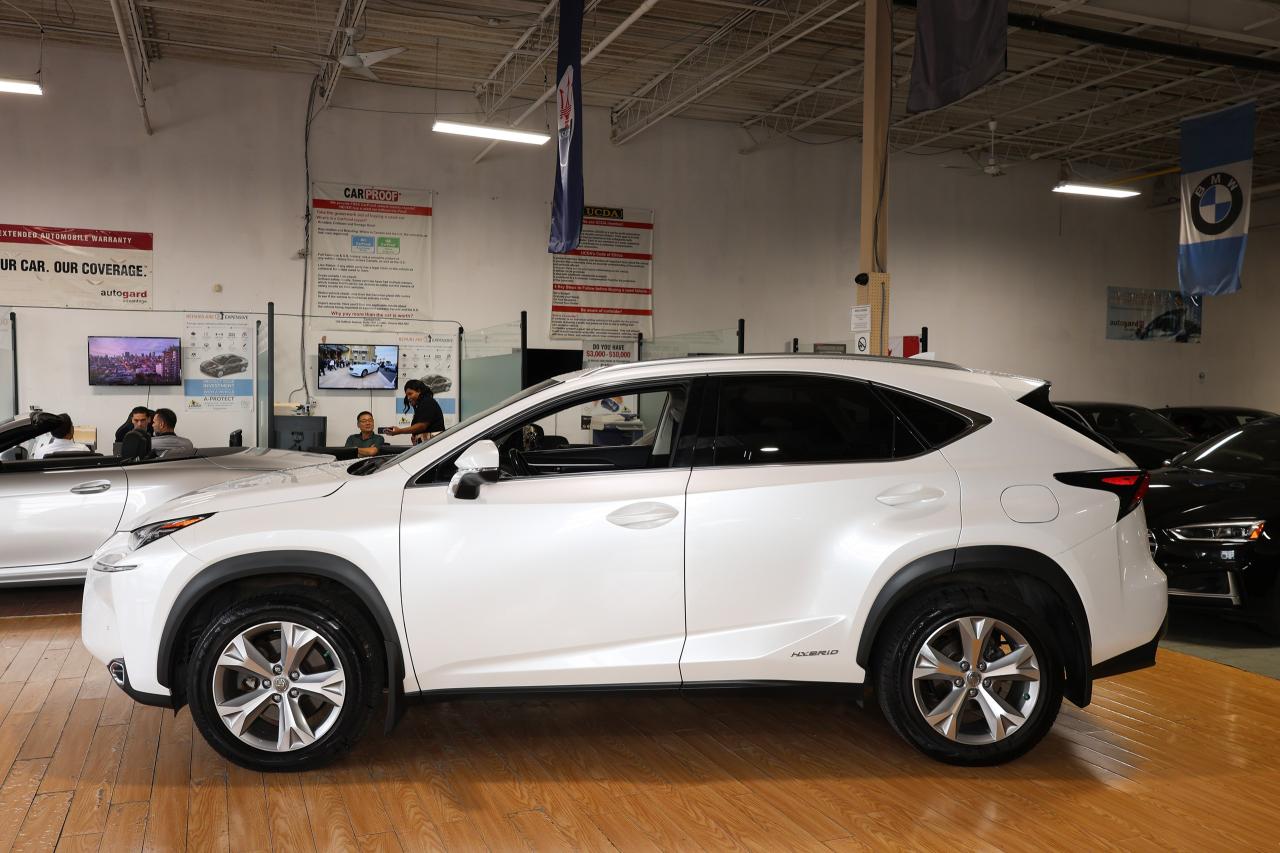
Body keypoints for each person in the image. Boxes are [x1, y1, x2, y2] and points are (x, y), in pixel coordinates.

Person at [389, 379, 445, 444]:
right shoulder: (422, 403)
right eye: (407, 395)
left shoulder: (427, 402)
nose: (408, 398)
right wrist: (416, 436)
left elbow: (422, 426)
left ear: (419, 391)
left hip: (433, 445)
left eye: (410, 394)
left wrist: (400, 431)